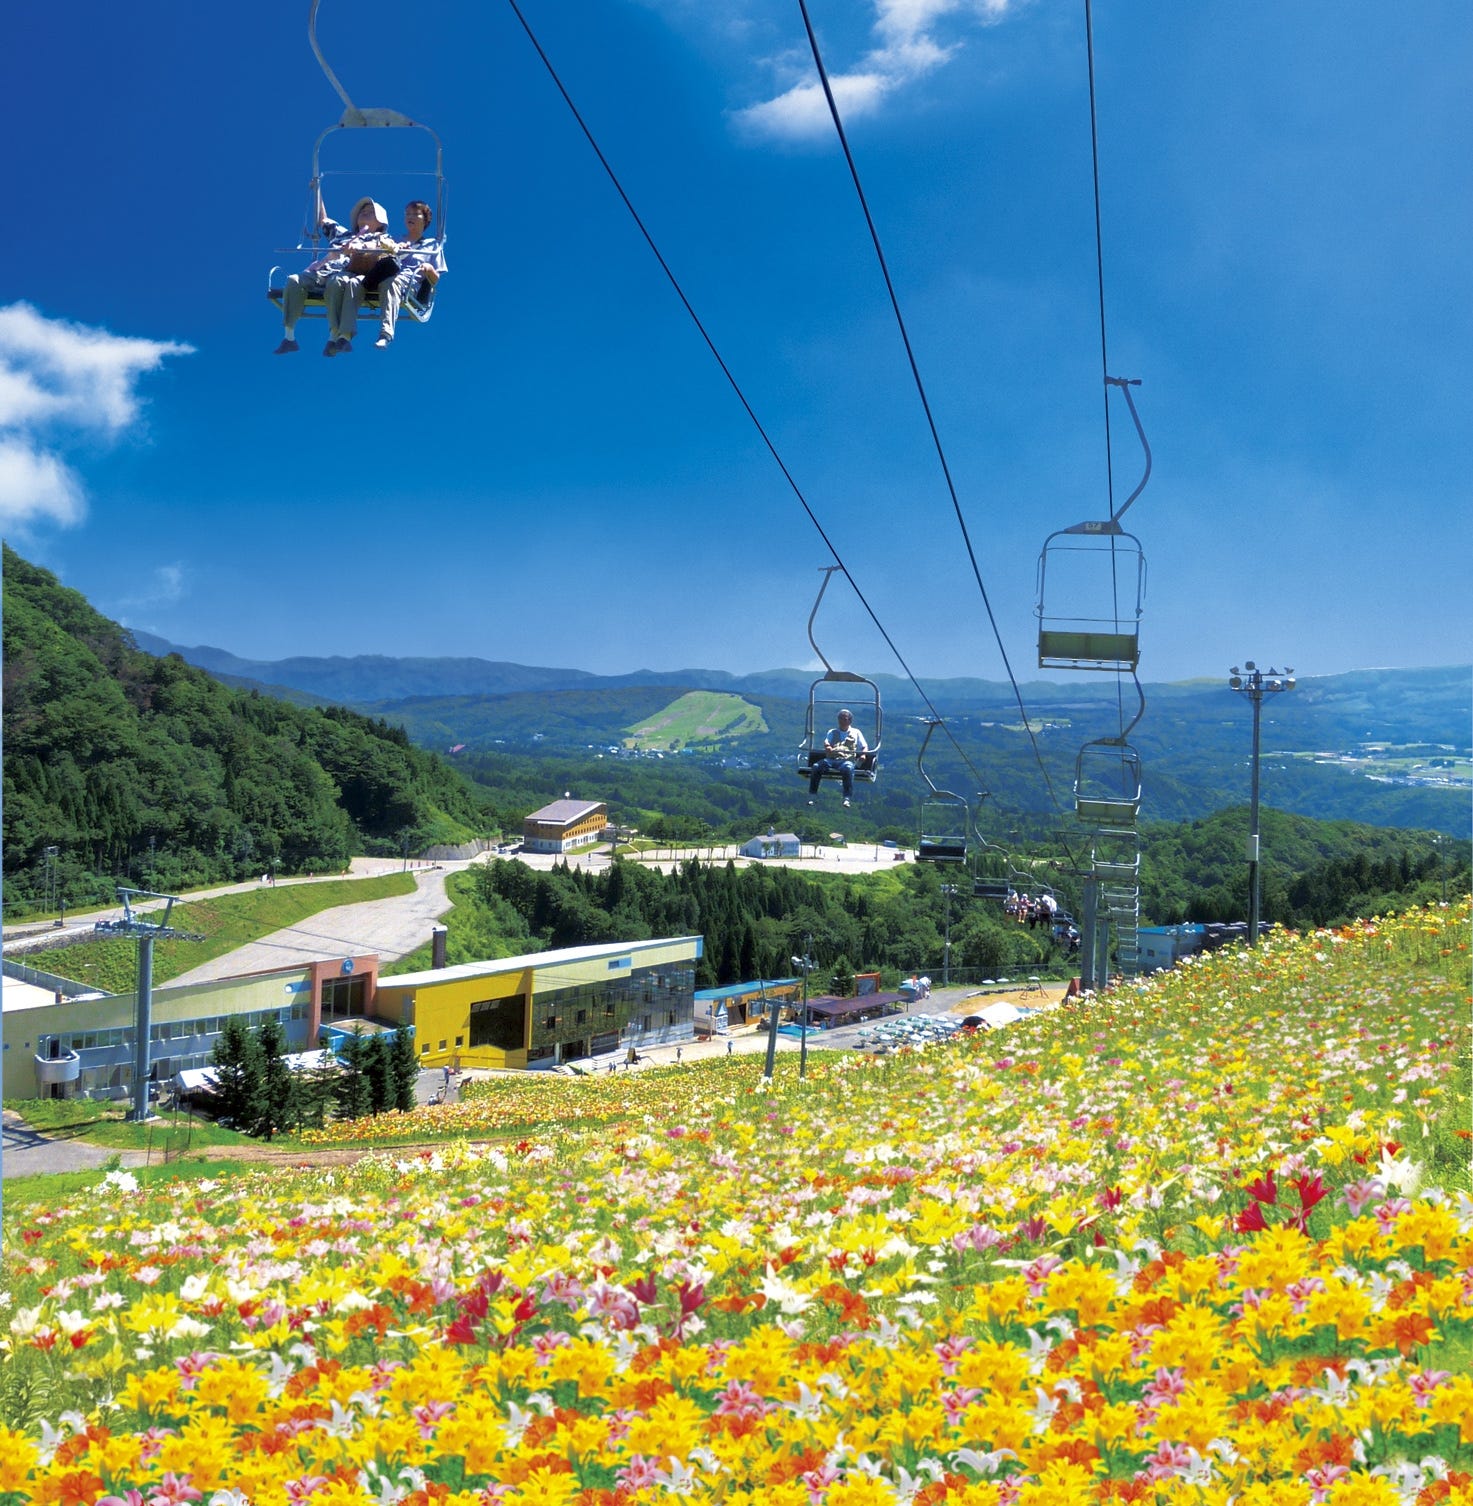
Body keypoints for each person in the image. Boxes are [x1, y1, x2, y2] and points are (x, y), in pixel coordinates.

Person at [274, 197, 395, 356]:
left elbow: (380, 250)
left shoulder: (382, 239)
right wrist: (317, 193)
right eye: (362, 212)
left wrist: (358, 247)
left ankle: (335, 335)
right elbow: (323, 220)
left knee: (336, 282)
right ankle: (289, 337)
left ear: (380, 222)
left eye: (371, 212)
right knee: (294, 280)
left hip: (346, 272)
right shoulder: (342, 234)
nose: (365, 213)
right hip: (321, 270)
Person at [369, 199, 446, 350]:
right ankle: (340, 334)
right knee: (350, 282)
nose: (409, 217)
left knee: (392, 283)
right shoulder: (395, 240)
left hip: (408, 284)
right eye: (407, 214)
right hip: (386, 274)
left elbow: (435, 280)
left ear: (425, 220)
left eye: (415, 214)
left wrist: (429, 269)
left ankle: (386, 333)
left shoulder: (432, 245)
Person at [806, 708, 869, 807]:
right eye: (840, 718)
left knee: (848, 768)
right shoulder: (832, 731)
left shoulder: (856, 732)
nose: (842, 721)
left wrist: (863, 754)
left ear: (849, 721)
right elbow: (827, 742)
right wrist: (828, 747)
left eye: (844, 719)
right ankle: (812, 795)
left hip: (846, 760)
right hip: (831, 759)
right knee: (816, 767)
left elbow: (864, 746)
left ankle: (847, 798)